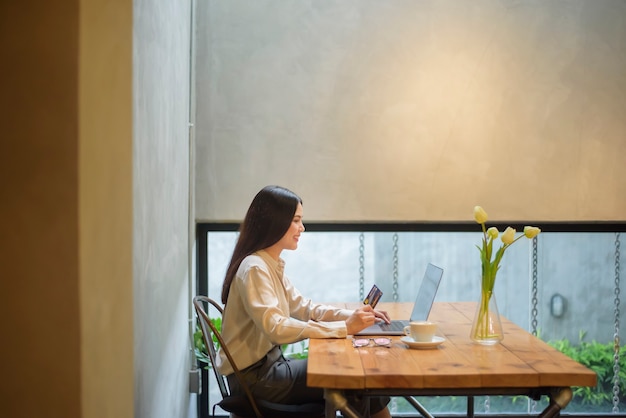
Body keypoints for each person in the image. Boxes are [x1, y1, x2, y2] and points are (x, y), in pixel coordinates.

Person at [217, 185, 392, 418]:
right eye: (296, 220)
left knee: (356, 376)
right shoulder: (255, 268)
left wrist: (351, 317)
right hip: (256, 379)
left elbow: (305, 308)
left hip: (267, 369)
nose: (302, 228)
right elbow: (276, 328)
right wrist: (344, 328)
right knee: (354, 377)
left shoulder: (269, 264)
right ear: (275, 222)